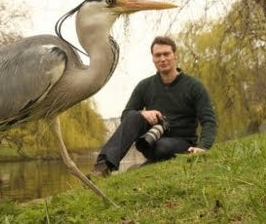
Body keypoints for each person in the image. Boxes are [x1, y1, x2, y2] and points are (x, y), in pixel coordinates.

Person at [90, 36, 217, 177]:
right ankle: (103, 166)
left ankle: (143, 167)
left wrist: (202, 147)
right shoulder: (145, 86)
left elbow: (209, 120)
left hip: (182, 142)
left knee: (162, 147)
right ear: (153, 59)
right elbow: (126, 116)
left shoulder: (194, 86)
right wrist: (143, 114)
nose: (162, 59)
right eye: (158, 55)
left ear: (175, 55)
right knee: (134, 116)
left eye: (166, 54)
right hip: (150, 140)